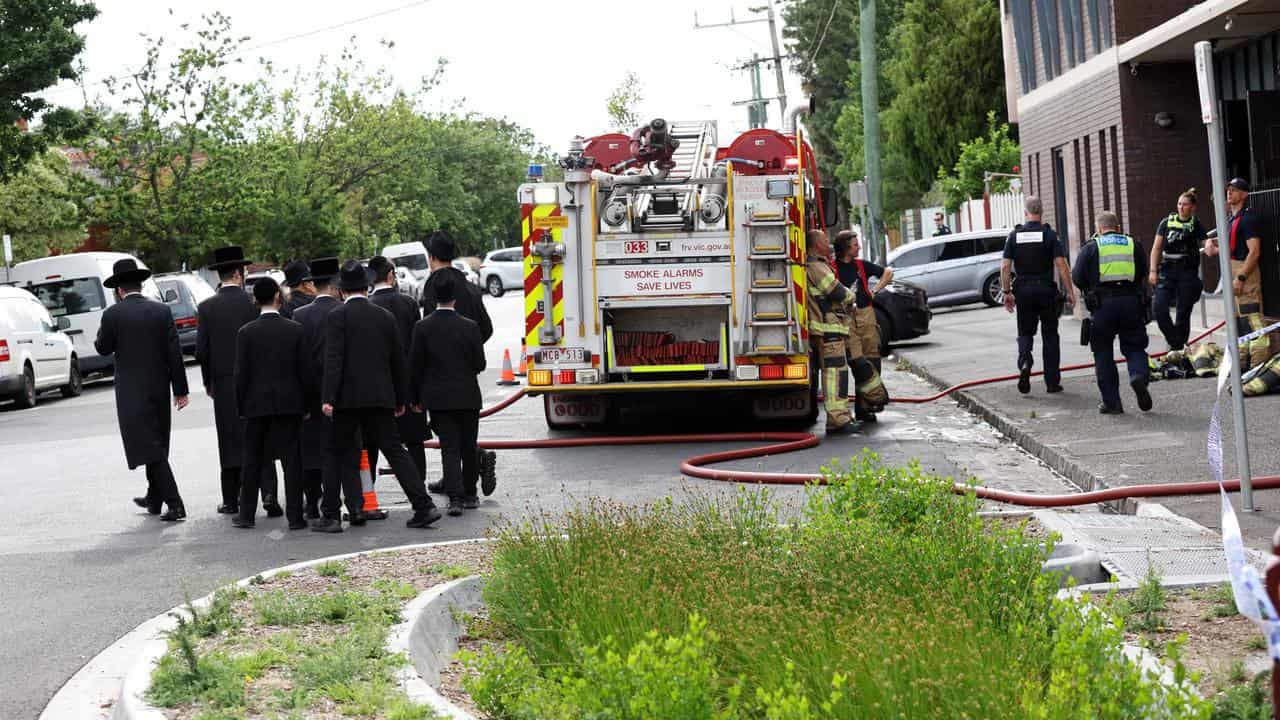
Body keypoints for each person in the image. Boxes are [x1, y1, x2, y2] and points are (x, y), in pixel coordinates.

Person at [320, 260, 441, 530]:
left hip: (347, 399)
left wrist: (328, 397)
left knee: (339, 452)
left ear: (341, 290)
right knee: (395, 451)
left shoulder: (336, 317)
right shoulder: (383, 317)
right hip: (380, 396)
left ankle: (332, 513)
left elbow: (334, 359)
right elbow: (398, 360)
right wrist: (401, 398)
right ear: (367, 286)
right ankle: (423, 505)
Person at [95, 258, 189, 521]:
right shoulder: (161, 311)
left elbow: (103, 348)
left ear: (119, 290)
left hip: (131, 392)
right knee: (156, 442)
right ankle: (154, 497)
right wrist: (180, 390)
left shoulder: (113, 314)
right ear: (140, 284)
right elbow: (174, 353)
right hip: (159, 388)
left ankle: (175, 503)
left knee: (149, 447)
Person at [196, 246, 281, 517]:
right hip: (257, 379)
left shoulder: (206, 307)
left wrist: (208, 380)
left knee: (229, 439)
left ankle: (231, 499)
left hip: (223, 382)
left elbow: (202, 350)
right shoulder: (252, 303)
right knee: (262, 436)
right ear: (238, 272)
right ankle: (268, 494)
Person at [420, 230, 498, 497]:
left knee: (447, 435)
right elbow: (486, 327)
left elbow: (427, 330)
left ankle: (466, 470)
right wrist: (469, 348)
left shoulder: (433, 286)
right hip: (466, 373)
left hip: (439, 375)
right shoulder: (469, 286)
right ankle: (465, 480)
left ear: (432, 258)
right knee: (463, 432)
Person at [231, 278, 311, 529]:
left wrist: (241, 406)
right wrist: (306, 404)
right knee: (292, 461)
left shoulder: (245, 333)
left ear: (255, 300)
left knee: (253, 458)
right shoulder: (295, 329)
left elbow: (240, 375)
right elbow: (305, 372)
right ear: (278, 296)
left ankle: (246, 515)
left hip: (256, 404)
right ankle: (296, 517)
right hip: (289, 403)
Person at [294, 257, 363, 528]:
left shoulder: (300, 316)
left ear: (312, 283)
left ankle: (321, 507)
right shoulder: (346, 311)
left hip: (313, 394)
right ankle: (356, 505)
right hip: (347, 392)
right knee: (350, 451)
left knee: (320, 453)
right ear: (336, 283)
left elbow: (299, 361)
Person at [410, 273, 486, 515]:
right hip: (467, 394)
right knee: (468, 445)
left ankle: (455, 498)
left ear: (433, 299)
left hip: (438, 397)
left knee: (449, 448)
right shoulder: (470, 327)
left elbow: (416, 366)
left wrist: (416, 398)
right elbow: (480, 364)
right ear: (455, 299)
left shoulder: (422, 328)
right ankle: (471, 493)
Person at [1073, 211, 1152, 414]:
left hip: (1102, 306)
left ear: (1099, 229)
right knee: (1135, 347)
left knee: (1103, 353)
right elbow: (1143, 270)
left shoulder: (1091, 247)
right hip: (1131, 303)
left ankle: (1112, 403)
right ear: (1117, 227)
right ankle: (1138, 377)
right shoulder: (1132, 244)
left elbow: (1078, 278)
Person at [1000, 196, 1076, 395]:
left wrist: (1007, 292)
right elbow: (1061, 265)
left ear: (1026, 213)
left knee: (1025, 332)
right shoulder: (1050, 235)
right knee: (1050, 335)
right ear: (1041, 212)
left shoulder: (1014, 236)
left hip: (1023, 292)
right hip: (1046, 291)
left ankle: (1025, 362)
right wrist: (1070, 291)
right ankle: (1052, 382)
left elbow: (1005, 266)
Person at [367, 255, 430, 492]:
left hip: (376, 386)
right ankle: (418, 487)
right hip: (407, 381)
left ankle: (367, 494)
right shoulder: (408, 303)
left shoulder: (367, 306)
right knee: (413, 441)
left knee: (371, 443)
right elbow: (417, 346)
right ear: (391, 275)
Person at [1205, 177, 1280, 370]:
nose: (1229, 192)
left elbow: (1254, 251)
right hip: (1233, 271)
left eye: (1235, 190)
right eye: (1228, 189)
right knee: (1240, 323)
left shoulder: (1248, 219)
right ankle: (1243, 365)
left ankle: (1258, 366)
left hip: (1245, 275)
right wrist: (1214, 247)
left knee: (1253, 321)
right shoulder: (1232, 219)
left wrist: (1241, 277)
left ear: (1245, 194)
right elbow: (1232, 246)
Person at [805, 229, 861, 435]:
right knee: (835, 375)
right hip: (828, 329)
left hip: (829, 329)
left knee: (837, 373)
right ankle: (838, 419)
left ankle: (838, 418)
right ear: (816, 244)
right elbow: (836, 291)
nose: (829, 242)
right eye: (825, 239)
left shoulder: (817, 264)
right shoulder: (817, 267)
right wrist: (851, 296)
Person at [832, 230, 889, 422]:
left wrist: (875, 291)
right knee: (858, 363)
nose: (859, 247)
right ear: (846, 248)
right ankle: (873, 398)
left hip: (867, 315)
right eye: (855, 245)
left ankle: (865, 408)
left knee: (872, 359)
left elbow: (887, 273)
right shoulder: (832, 268)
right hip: (846, 319)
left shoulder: (861, 265)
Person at [1149, 189, 1207, 352]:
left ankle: (1178, 350)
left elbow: (1205, 242)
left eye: (1185, 204)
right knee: (1159, 308)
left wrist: (1209, 245)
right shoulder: (1166, 222)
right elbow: (1156, 248)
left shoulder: (1195, 224)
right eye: (1179, 204)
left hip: (1187, 272)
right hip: (1167, 271)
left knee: (1183, 312)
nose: (1181, 207)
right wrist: (1152, 271)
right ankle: (1176, 342)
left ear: (1193, 207)